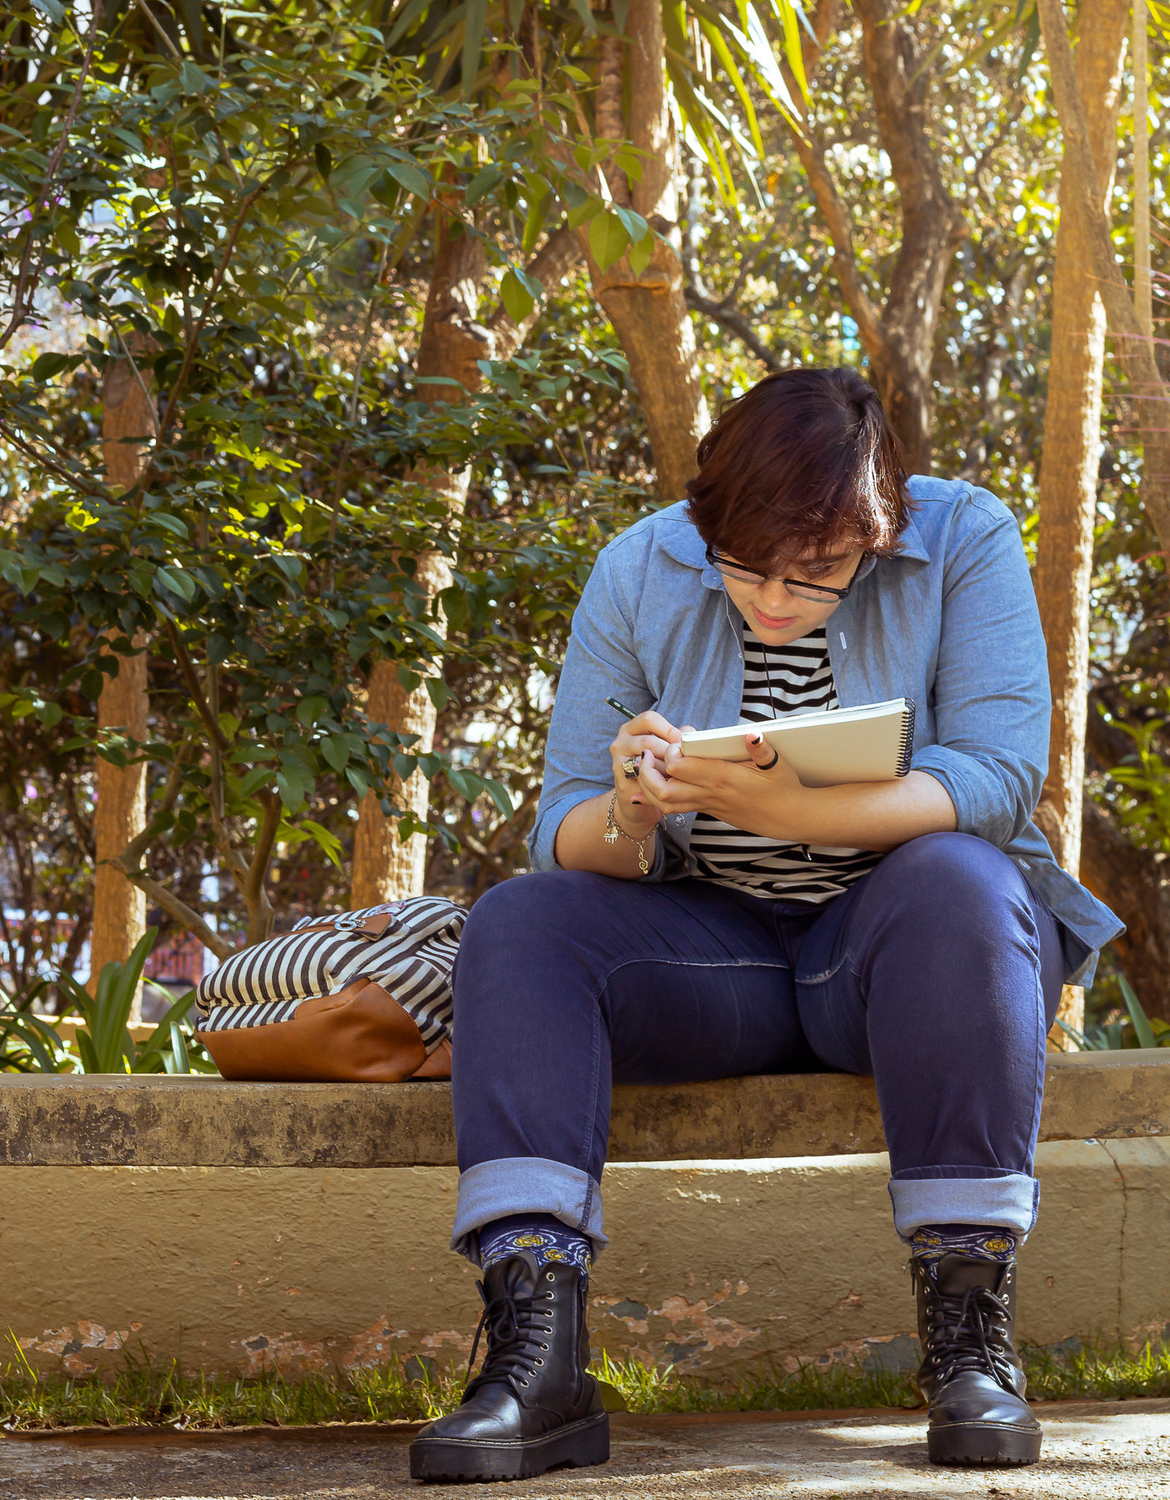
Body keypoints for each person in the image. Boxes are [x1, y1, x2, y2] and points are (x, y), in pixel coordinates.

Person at [408, 367, 1122, 1483]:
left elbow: (995, 774)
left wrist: (791, 808)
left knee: (965, 882)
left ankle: (970, 1338)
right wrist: (632, 807)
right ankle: (537, 1357)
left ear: (881, 530)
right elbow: (560, 824)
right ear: (707, 525)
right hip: (711, 958)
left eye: (819, 571)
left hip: (890, 956)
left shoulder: (965, 537)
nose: (776, 600)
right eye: (747, 566)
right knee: (523, 922)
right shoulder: (641, 568)